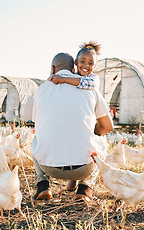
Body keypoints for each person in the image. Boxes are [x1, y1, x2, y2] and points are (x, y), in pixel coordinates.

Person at [31, 48, 113, 202]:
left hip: (48, 166)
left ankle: (42, 184)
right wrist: (90, 130)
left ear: (53, 68)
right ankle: (84, 188)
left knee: (36, 138)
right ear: (74, 67)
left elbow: (38, 124)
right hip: (83, 168)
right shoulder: (91, 89)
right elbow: (107, 127)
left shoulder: (41, 90)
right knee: (102, 141)